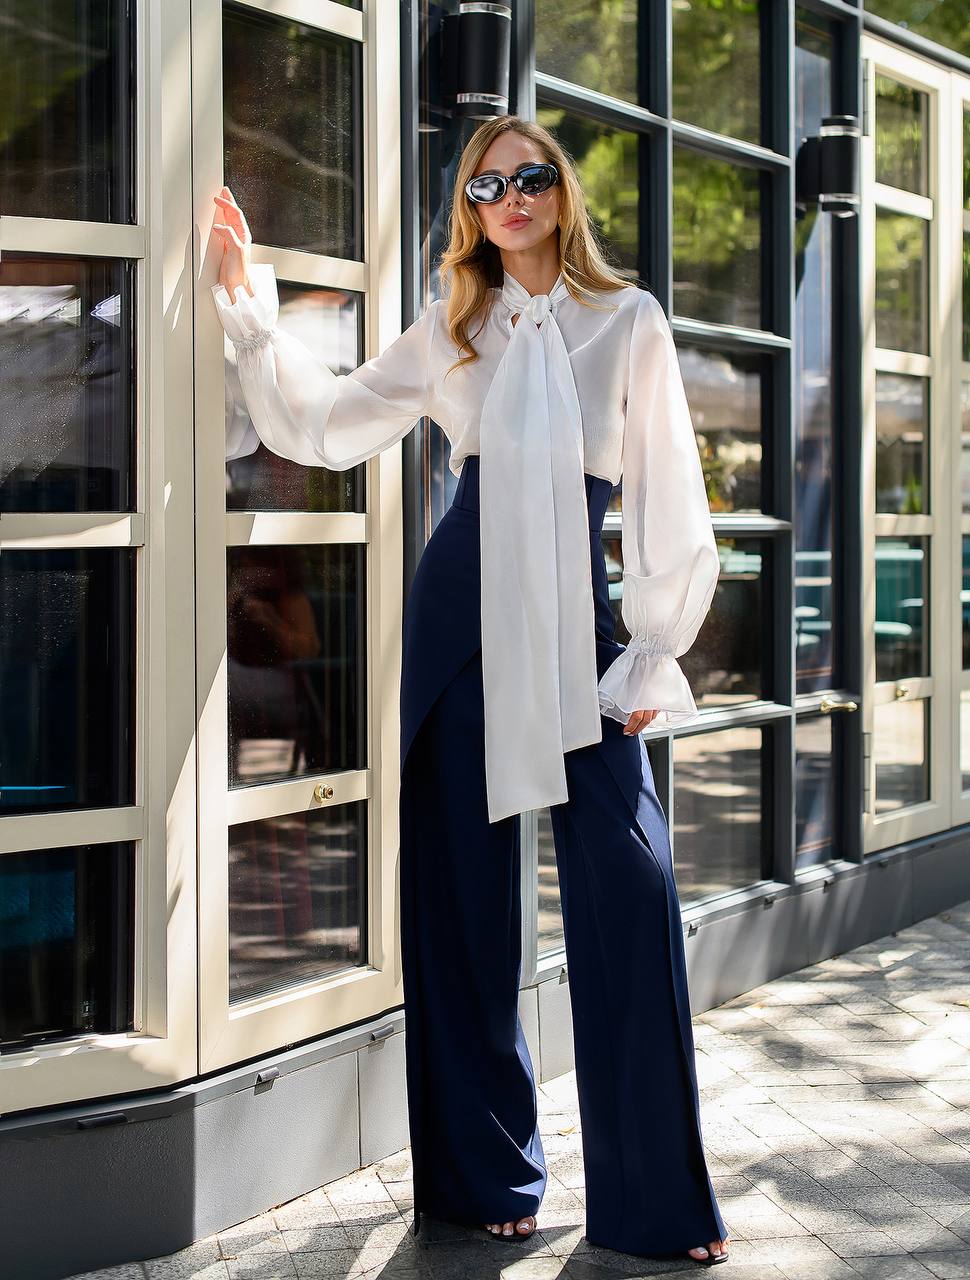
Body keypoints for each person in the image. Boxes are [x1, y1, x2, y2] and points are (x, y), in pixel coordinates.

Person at [211, 114, 731, 1266]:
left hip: (580, 623)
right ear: (470, 206)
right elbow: (329, 422)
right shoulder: (453, 324)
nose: (510, 195)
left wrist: (653, 643)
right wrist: (247, 307)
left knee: (631, 882)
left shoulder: (625, 318)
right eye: (487, 182)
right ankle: (481, 1174)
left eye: (530, 176)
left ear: (560, 194)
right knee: (457, 895)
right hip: (457, 617)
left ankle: (654, 1196)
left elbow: (667, 492)